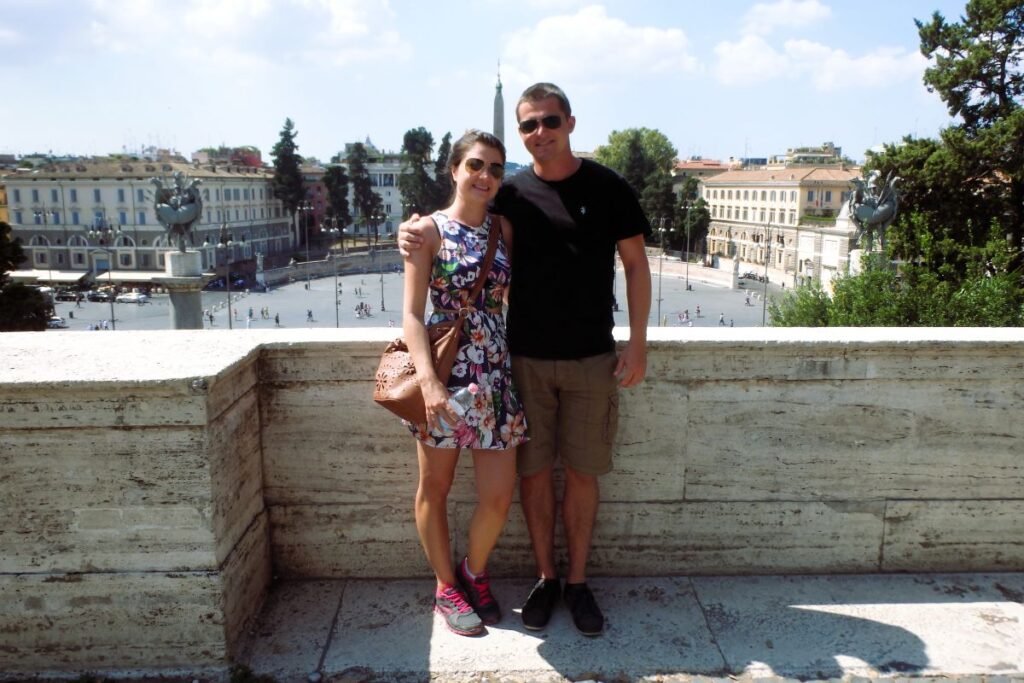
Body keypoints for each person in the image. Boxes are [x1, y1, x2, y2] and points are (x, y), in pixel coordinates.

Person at [401, 83, 651, 637]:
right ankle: (473, 585)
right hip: (481, 371)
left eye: (550, 122)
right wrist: (412, 233)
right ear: (455, 170)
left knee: (534, 486)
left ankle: (527, 577)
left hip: (523, 370)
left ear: (569, 122)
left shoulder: (539, 207)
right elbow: (413, 310)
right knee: (485, 484)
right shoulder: (480, 211)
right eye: (529, 125)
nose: (541, 132)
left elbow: (632, 264)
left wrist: (637, 341)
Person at [400, 129, 527, 637]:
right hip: (447, 374)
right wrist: (428, 383)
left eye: (496, 169)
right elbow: (411, 315)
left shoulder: (506, 231)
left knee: (499, 495)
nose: (486, 176)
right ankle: (445, 586)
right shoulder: (426, 231)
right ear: (454, 169)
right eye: (476, 165)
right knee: (435, 485)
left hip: (494, 374)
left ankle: (474, 571)